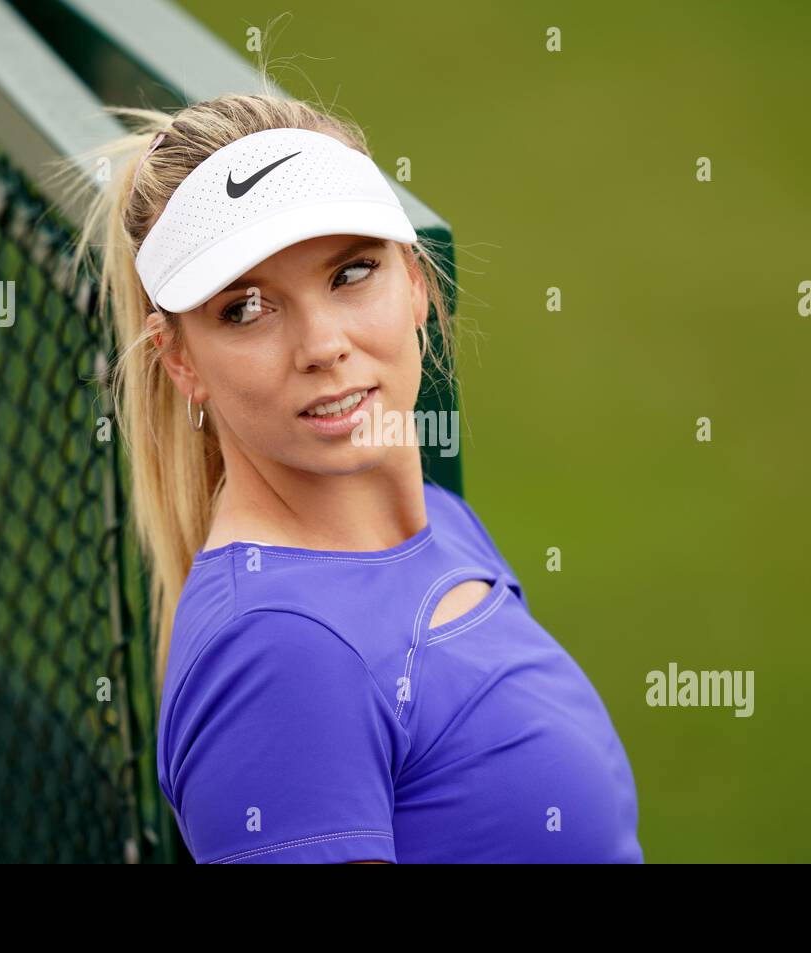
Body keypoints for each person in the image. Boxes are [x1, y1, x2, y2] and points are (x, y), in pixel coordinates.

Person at [78, 93, 642, 863]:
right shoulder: (277, 653)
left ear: (414, 279)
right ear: (180, 360)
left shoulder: (440, 523)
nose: (322, 344)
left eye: (351, 271)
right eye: (245, 308)